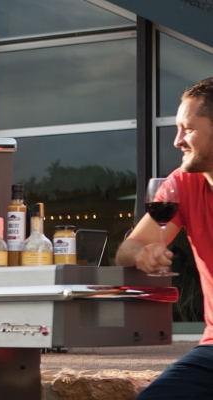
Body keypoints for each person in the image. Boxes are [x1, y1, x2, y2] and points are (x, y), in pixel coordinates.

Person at [116, 76, 213, 399]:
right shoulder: (183, 183)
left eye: (188, 129)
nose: (177, 140)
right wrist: (142, 254)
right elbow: (129, 248)